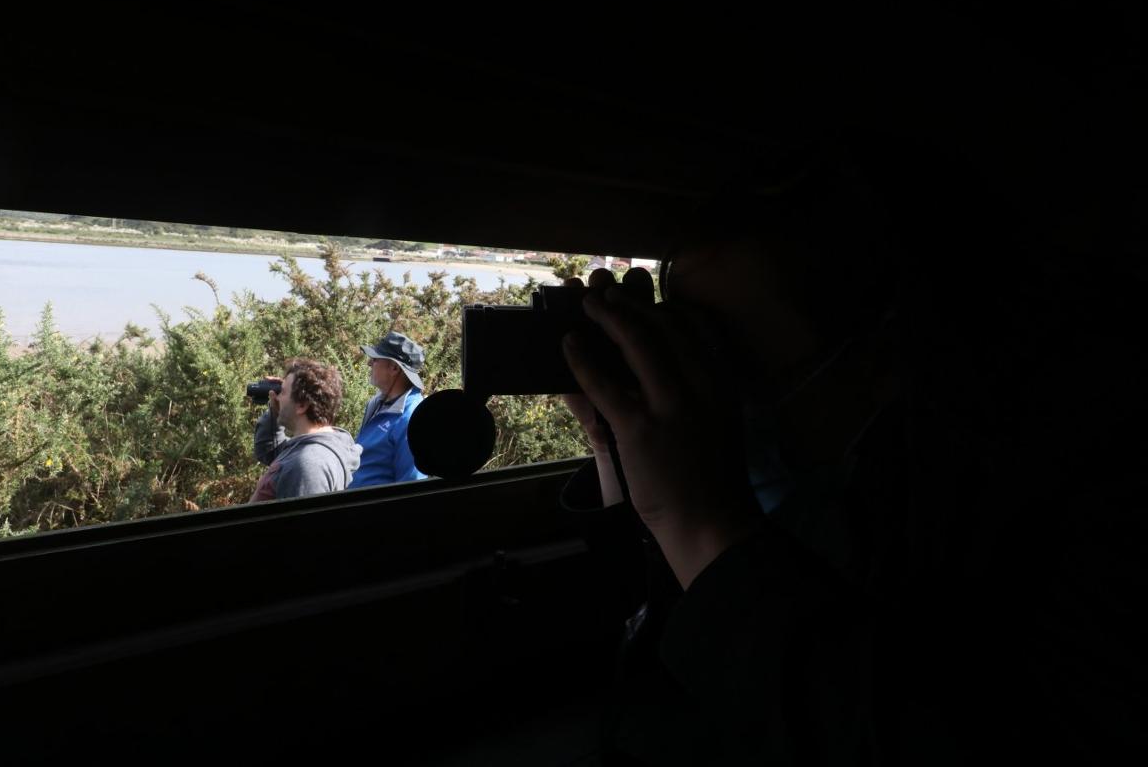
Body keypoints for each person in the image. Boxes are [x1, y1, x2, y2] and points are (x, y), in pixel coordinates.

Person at [557, 137, 1145, 764]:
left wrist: (703, 525)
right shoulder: (847, 481)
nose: (711, 394)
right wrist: (613, 446)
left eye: (739, 357)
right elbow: (669, 656)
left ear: (885, 353)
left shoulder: (1082, 508)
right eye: (695, 352)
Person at [251, 358, 362, 502]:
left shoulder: (309, 465)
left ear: (302, 405)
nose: (277, 397)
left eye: (282, 392)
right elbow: (268, 449)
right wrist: (274, 412)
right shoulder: (309, 448)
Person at [346, 331, 428, 489]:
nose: (369, 363)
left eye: (375, 359)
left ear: (394, 368)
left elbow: (412, 485)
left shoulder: (412, 419)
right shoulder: (377, 402)